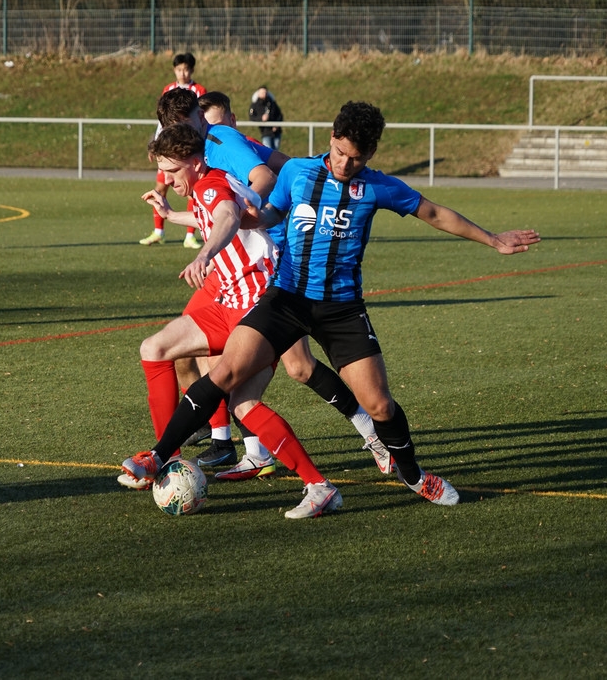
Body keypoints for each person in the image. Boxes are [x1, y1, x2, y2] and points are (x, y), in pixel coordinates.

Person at [123, 100, 541, 518]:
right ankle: (157, 456)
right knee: (225, 374)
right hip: (285, 298)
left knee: (380, 406)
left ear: (370, 153)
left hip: (341, 309)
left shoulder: (378, 186)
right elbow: (270, 214)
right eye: (339, 152)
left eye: (355, 158)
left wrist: (493, 239)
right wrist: (247, 218)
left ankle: (414, 475)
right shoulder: (298, 171)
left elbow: (432, 212)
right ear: (331, 139)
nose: (344, 163)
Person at [197, 91, 390, 479]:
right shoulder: (209, 151)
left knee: (295, 366)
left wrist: (267, 210)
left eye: (219, 122)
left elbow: (276, 175)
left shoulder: (231, 144)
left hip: (275, 261)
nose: (215, 130)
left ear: (231, 120)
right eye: (210, 124)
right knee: (228, 356)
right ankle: (247, 448)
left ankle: (368, 433)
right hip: (250, 259)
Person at [132, 123, 277, 484]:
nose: (166, 180)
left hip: (255, 305)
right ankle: (168, 458)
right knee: (155, 348)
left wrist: (204, 255)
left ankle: (318, 480)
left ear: (195, 163)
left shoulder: (210, 186)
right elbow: (208, 217)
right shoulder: (203, 186)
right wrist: (170, 216)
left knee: (254, 392)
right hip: (231, 301)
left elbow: (226, 215)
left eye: (171, 171)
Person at [140, 52, 206, 249]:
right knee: (161, 188)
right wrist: (157, 144)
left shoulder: (199, 90)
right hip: (169, 149)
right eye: (179, 69)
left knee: (191, 191)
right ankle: (158, 232)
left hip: (187, 150)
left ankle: (190, 235)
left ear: (191, 70)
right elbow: (162, 121)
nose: (182, 73)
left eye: (186, 69)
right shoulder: (168, 89)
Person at [249, 86, 283, 150]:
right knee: (268, 150)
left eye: (265, 92)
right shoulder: (255, 105)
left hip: (276, 132)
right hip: (265, 132)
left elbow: (279, 115)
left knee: (276, 151)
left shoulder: (272, 103)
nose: (264, 94)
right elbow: (252, 117)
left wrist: (277, 125)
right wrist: (261, 118)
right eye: (262, 93)